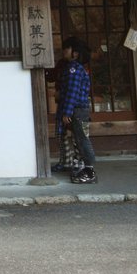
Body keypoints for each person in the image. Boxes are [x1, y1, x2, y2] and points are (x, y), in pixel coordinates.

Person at [57, 37, 97, 184]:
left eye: (67, 48)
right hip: (80, 109)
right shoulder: (77, 68)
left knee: (82, 139)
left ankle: (89, 170)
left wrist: (67, 112)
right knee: (79, 139)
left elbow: (72, 92)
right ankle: (84, 168)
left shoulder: (74, 69)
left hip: (77, 110)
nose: (64, 51)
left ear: (75, 53)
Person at [50, 40, 79, 175]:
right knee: (61, 133)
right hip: (62, 102)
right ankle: (65, 161)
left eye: (67, 49)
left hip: (74, 103)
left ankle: (78, 163)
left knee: (77, 134)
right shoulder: (62, 64)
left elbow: (73, 89)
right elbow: (51, 77)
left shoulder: (76, 67)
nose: (64, 52)